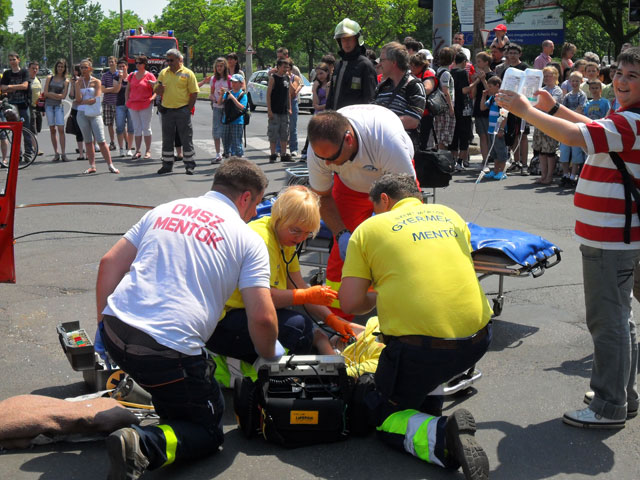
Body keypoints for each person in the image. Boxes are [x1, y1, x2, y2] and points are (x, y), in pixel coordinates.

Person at [95, 158, 280, 479]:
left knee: (174, 391)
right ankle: (142, 445)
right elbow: (262, 319)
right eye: (258, 203)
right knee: (207, 429)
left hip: (115, 332)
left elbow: (109, 262)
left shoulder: (165, 209)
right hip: (167, 353)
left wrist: (103, 324)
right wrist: (271, 356)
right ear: (246, 197)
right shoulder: (247, 238)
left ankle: (165, 410)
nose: (254, 213)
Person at [496, 46, 640, 429]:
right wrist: (553, 109)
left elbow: (577, 137)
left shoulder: (631, 122)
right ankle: (620, 394)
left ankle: (609, 405)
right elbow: (587, 133)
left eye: (632, 76)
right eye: (620, 74)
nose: (621, 82)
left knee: (608, 320)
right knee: (618, 318)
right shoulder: (626, 118)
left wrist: (527, 111)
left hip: (612, 238)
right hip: (614, 235)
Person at [339, 173, 492, 480]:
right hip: (477, 340)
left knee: (383, 414)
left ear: (384, 200)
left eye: (374, 208)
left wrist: (379, 288)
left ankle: (444, 436)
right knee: (427, 341)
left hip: (422, 351)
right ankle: (427, 402)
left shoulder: (368, 230)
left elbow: (350, 304)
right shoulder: (450, 215)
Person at [207, 185, 363, 364]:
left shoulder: (285, 239)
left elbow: (298, 286)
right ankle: (265, 371)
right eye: (296, 231)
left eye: (307, 233)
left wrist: (332, 319)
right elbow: (265, 299)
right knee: (297, 328)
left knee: (298, 323)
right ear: (278, 218)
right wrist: (305, 295)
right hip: (223, 322)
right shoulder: (261, 240)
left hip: (243, 313)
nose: (300, 238)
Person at [306, 105, 416, 316]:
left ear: (349, 140)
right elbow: (323, 196)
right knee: (342, 253)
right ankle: (339, 318)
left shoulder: (387, 141)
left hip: (393, 185)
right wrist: (341, 234)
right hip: (350, 188)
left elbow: (408, 197)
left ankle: (401, 306)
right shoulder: (320, 150)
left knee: (401, 245)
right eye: (323, 158)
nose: (327, 163)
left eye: (332, 157)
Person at [155, 48, 199, 175]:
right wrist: (159, 88)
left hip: (182, 110)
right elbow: (156, 91)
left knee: (186, 138)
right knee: (167, 138)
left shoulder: (188, 73)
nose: (169, 62)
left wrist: (188, 109)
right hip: (167, 111)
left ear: (179, 60)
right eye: (167, 60)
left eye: (171, 60)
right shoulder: (164, 73)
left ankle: (189, 165)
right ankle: (167, 164)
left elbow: (194, 93)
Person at [374, 42, 426, 148]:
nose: (379, 64)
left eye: (382, 60)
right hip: (380, 147)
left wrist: (380, 125)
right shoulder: (382, 87)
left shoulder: (414, 85)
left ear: (394, 62)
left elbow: (412, 120)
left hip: (403, 148)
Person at [74, 59, 119, 174]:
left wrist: (83, 102)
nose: (83, 70)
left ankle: (110, 165)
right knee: (88, 141)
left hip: (94, 114)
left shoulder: (96, 82)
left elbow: (96, 99)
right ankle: (92, 165)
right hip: (82, 114)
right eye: (81, 68)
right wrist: (78, 86)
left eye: (85, 67)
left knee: (101, 141)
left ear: (90, 68)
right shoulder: (78, 82)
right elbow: (78, 99)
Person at [325, 18, 377, 110]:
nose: (346, 43)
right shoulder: (338, 65)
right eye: (343, 39)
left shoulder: (365, 65)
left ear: (357, 40)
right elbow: (331, 96)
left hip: (355, 121)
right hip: (337, 119)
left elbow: (370, 99)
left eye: (349, 38)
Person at [499, 44, 530, 174]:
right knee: (513, 134)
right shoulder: (506, 70)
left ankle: (524, 164)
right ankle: (516, 162)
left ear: (519, 54)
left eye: (515, 53)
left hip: (523, 105)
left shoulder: (525, 68)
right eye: (510, 53)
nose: (512, 55)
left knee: (523, 135)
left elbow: (529, 85)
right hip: (510, 105)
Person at [532, 66, 563, 185]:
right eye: (545, 76)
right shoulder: (541, 89)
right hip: (540, 122)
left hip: (551, 123)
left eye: (549, 75)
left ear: (555, 76)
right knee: (541, 151)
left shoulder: (557, 90)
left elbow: (550, 104)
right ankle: (543, 175)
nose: (547, 78)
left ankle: (549, 176)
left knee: (549, 151)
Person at [1, 52, 33, 160]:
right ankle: (17, 154)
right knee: (14, 131)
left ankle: (28, 153)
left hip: (23, 104)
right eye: (10, 60)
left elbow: (25, 86)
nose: (12, 62)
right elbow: (2, 88)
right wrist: (14, 87)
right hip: (11, 106)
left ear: (18, 60)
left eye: (14, 59)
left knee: (26, 129)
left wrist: (9, 86)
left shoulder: (24, 72)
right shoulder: (7, 74)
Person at [558, 71, 587, 187]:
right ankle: (565, 174)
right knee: (564, 151)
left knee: (576, 153)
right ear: (569, 82)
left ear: (581, 82)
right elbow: (562, 110)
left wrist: (568, 114)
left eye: (577, 81)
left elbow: (580, 109)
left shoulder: (582, 95)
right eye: (573, 81)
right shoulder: (567, 96)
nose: (574, 83)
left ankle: (573, 176)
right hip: (566, 126)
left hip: (577, 126)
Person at [125, 55, 156, 160]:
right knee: (137, 128)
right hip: (133, 104)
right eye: (136, 63)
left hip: (146, 104)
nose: (137, 65)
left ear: (144, 64)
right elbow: (128, 89)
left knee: (146, 128)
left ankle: (148, 150)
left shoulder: (150, 75)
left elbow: (156, 89)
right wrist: (126, 100)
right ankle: (137, 151)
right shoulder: (132, 75)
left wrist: (152, 98)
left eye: (139, 63)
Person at [449, 51, 476, 170]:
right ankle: (460, 161)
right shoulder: (462, 73)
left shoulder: (450, 72)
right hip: (463, 107)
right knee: (464, 135)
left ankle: (453, 161)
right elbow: (464, 90)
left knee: (454, 135)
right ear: (464, 62)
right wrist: (476, 81)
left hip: (453, 107)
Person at [200, 57, 230, 163]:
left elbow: (233, 93)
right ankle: (218, 154)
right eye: (217, 66)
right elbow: (211, 93)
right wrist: (213, 98)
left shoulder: (229, 79)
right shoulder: (213, 79)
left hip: (227, 108)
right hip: (217, 108)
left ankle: (227, 152)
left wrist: (225, 96)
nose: (219, 68)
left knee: (227, 131)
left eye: (221, 66)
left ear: (225, 67)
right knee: (216, 130)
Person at [480, 76, 509, 180]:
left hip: (498, 130)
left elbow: (504, 114)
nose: (489, 88)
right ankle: (495, 170)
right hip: (491, 130)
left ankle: (502, 171)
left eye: (490, 86)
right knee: (494, 152)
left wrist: (501, 129)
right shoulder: (492, 98)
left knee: (501, 151)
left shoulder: (501, 98)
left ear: (497, 86)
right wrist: (484, 96)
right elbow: (482, 107)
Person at [301, 62, 331, 160]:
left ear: (327, 72)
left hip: (327, 112)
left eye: (321, 73)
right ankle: (309, 152)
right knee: (313, 131)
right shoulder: (317, 84)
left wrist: (320, 107)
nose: (319, 76)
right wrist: (314, 89)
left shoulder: (330, 84)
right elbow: (315, 103)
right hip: (318, 112)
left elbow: (329, 101)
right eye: (317, 74)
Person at [43, 59, 70, 162]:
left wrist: (52, 95)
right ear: (56, 67)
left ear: (64, 68)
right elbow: (45, 93)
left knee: (61, 130)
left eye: (62, 67)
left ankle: (63, 153)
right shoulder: (50, 78)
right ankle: (56, 153)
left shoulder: (66, 81)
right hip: (49, 106)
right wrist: (56, 95)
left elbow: (63, 96)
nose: (60, 68)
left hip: (59, 107)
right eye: (58, 66)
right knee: (52, 130)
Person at [409, 52, 436, 150]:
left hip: (425, 113)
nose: (412, 68)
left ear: (421, 65)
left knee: (422, 143)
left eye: (414, 66)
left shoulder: (428, 73)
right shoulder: (411, 74)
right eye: (411, 65)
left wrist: (411, 92)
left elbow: (427, 89)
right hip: (413, 113)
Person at [266, 58, 292, 163]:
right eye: (284, 67)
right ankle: (273, 154)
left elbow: (288, 94)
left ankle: (284, 153)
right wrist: (269, 110)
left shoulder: (287, 78)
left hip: (284, 110)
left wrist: (289, 107)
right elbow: (268, 95)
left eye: (287, 67)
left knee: (284, 133)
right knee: (273, 132)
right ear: (278, 67)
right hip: (275, 110)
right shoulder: (273, 78)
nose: (286, 69)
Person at [472, 52, 495, 163]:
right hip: (478, 107)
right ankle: (485, 159)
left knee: (489, 135)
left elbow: (491, 93)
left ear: (486, 62)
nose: (477, 64)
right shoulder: (478, 75)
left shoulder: (492, 76)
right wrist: (476, 81)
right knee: (482, 135)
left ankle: (493, 157)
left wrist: (483, 80)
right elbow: (474, 94)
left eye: (479, 61)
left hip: (490, 109)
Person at [219, 74, 248, 157]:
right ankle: (227, 156)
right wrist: (221, 95)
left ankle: (239, 158)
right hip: (226, 120)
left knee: (236, 142)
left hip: (237, 121)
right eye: (232, 82)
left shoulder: (243, 95)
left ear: (240, 83)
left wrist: (233, 98)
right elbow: (220, 103)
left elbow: (242, 107)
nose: (233, 84)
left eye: (235, 82)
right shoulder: (228, 93)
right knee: (225, 140)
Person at [433, 47, 456, 151]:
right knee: (444, 135)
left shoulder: (438, 70)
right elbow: (446, 91)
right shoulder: (446, 73)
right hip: (445, 107)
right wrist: (451, 108)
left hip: (439, 106)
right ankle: (442, 157)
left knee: (440, 133)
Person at [115, 58, 134, 158]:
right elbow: (116, 90)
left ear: (127, 67)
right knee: (119, 127)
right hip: (120, 105)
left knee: (131, 128)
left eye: (123, 66)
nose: (122, 68)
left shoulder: (132, 77)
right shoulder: (116, 77)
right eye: (120, 67)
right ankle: (121, 149)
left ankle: (129, 149)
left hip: (131, 105)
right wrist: (120, 79)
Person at [101, 56, 122, 151]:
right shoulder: (105, 75)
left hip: (118, 102)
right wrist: (114, 89)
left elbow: (119, 90)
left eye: (112, 61)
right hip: (107, 102)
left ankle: (125, 142)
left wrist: (111, 90)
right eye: (109, 62)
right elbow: (103, 90)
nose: (111, 63)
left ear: (116, 63)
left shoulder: (120, 74)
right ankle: (112, 142)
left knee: (120, 125)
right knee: (110, 124)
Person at [68, 64, 85, 161]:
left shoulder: (84, 81)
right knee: (78, 131)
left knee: (86, 130)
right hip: (75, 108)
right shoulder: (74, 81)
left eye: (75, 70)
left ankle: (88, 152)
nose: (74, 72)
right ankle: (81, 153)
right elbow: (71, 96)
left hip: (84, 108)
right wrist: (72, 85)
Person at [28, 61, 42, 136]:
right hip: (30, 107)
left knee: (38, 127)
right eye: (33, 68)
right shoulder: (26, 80)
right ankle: (35, 147)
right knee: (33, 128)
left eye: (36, 69)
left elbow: (40, 94)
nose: (34, 70)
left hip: (38, 107)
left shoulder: (38, 79)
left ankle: (34, 144)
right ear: (28, 69)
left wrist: (43, 109)